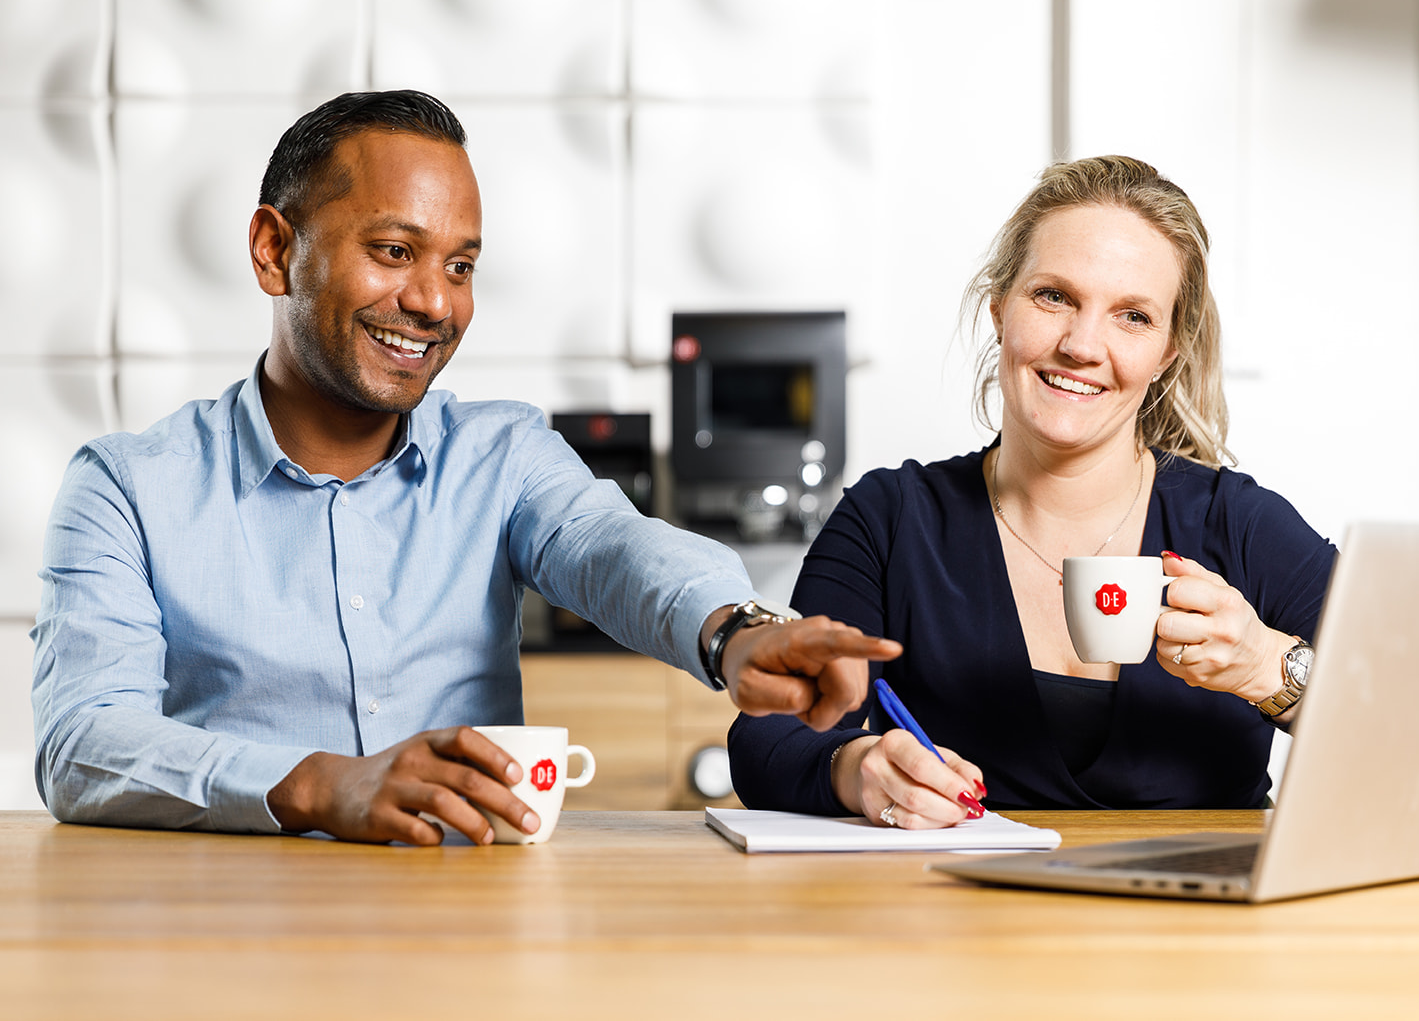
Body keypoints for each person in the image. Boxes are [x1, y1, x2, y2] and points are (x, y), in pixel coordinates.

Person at [30, 89, 898, 845]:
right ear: (272, 250)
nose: (435, 302)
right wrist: (327, 784)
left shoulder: (503, 453)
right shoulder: (124, 488)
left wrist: (733, 627)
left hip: (470, 927)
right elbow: (83, 743)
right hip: (225, 935)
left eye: (461, 266)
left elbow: (609, 546)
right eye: (394, 251)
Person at [727, 155, 1337, 828]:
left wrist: (1269, 668)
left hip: (1201, 929)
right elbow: (768, 740)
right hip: (962, 921)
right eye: (1054, 296)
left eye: (1132, 315)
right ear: (999, 307)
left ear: (1166, 351)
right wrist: (859, 768)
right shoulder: (891, 520)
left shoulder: (1242, 526)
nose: (1081, 344)